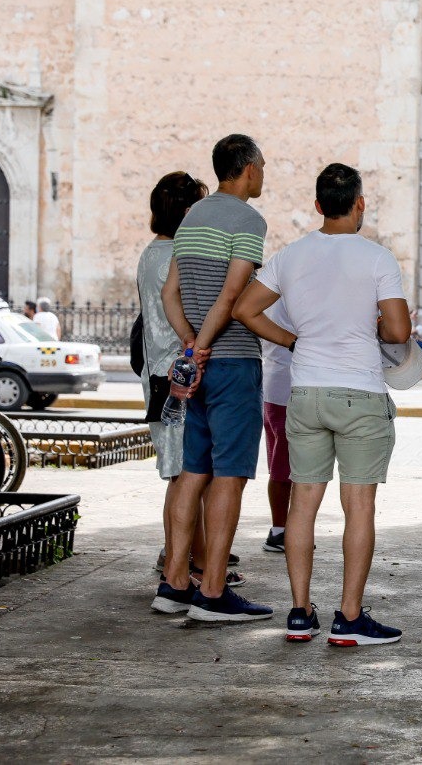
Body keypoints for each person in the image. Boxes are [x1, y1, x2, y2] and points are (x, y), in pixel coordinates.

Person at [235, 162, 410, 646]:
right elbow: (397, 332)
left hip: (305, 391)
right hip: (360, 392)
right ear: (358, 204)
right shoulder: (378, 258)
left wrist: (292, 340)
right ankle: (349, 618)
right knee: (359, 507)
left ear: (317, 206)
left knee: (302, 503)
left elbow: (244, 309)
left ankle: (298, 612)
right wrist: (370, 326)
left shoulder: (291, 255)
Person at [153, 134, 272, 622]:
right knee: (230, 475)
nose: (264, 173)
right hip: (233, 362)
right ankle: (214, 592)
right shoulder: (248, 220)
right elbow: (231, 297)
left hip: (196, 370)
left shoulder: (192, 219)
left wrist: (189, 347)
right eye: (262, 166)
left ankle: (176, 583)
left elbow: (169, 295)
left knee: (193, 471)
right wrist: (204, 346)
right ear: (246, 169)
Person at [138, 171, 244, 590]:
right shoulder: (173, 256)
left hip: (162, 370)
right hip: (178, 372)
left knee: (181, 474)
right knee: (187, 475)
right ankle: (186, 566)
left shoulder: (152, 252)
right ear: (186, 213)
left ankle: (183, 561)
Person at [260, 299, 295, 554]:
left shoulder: (270, 292)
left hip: (275, 384)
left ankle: (281, 528)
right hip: (290, 387)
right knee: (285, 468)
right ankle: (281, 530)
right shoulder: (293, 293)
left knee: (280, 464)